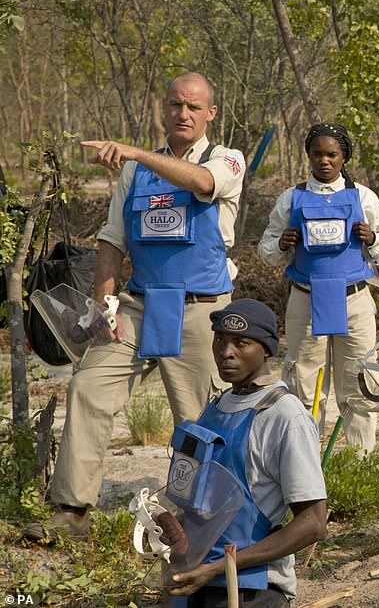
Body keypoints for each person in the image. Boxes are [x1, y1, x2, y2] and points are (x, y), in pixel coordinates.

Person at [25, 71, 246, 542]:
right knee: (88, 386)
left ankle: (201, 524)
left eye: (192, 107)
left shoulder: (227, 159)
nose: (182, 114)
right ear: (163, 109)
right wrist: (104, 301)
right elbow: (111, 241)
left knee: (196, 422)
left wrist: (136, 151)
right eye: (174, 105)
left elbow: (201, 182)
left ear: (210, 113)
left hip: (201, 311)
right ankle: (71, 512)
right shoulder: (134, 172)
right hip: (138, 306)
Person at [166, 298, 327, 607]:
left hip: (250, 591)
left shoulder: (285, 415)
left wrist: (220, 567)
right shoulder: (215, 407)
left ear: (266, 349)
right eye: (220, 340)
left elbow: (313, 523)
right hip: (193, 582)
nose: (227, 352)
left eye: (241, 343)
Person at [258, 123, 379, 454]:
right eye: (317, 154)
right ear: (308, 156)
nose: (324, 161)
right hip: (305, 302)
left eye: (332, 154)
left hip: (354, 300)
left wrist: (372, 239)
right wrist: (282, 243)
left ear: (344, 156)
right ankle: (306, 467)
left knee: (359, 384)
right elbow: (267, 249)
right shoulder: (292, 198)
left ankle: (361, 465)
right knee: (305, 386)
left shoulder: (363, 197)